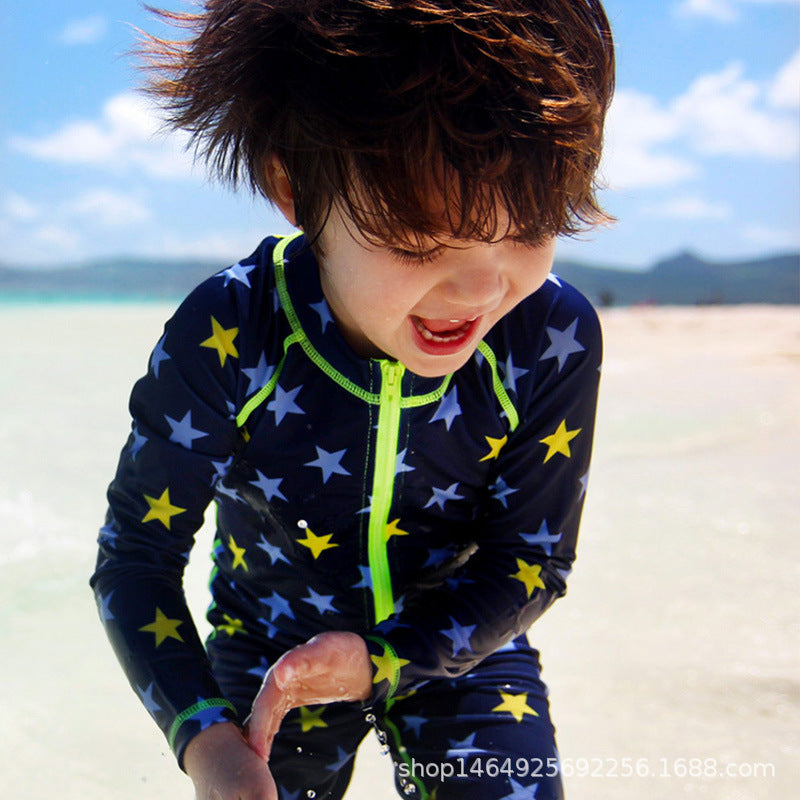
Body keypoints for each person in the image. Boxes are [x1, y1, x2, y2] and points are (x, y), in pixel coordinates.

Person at [90, 1, 614, 798]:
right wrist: (204, 738)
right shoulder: (232, 331)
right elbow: (136, 558)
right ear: (294, 186)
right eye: (417, 240)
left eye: (531, 224)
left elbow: (533, 559)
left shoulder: (548, 334)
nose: (480, 290)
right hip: (274, 652)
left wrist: (386, 660)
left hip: (460, 640)